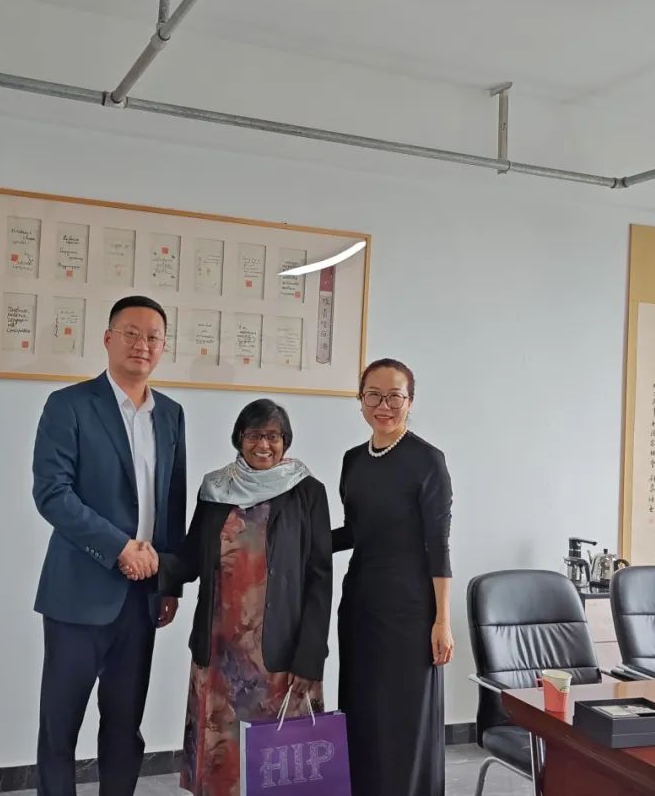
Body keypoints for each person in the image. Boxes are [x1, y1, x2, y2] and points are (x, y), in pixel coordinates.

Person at [32, 295, 187, 796]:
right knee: (60, 728)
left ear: (163, 346)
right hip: (78, 594)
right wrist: (120, 547)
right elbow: (53, 494)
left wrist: (169, 583)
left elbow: (172, 501)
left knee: (124, 727)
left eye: (153, 337)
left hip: (141, 598)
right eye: (131, 333)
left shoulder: (171, 415)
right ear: (108, 338)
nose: (143, 345)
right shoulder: (69, 406)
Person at [159, 399, 333, 796]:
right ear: (239, 438)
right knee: (222, 763)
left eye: (273, 436)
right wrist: (148, 565)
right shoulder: (215, 489)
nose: (264, 445)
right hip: (219, 652)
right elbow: (192, 555)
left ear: (285, 441)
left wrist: (311, 656)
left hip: (278, 654)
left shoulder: (308, 492)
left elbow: (320, 578)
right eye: (254, 435)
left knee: (278, 769)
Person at [333, 358, 453, 796]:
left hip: (410, 611)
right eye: (373, 395)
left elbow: (438, 545)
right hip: (361, 603)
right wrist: (297, 538)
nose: (383, 406)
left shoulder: (427, 461)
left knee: (404, 718)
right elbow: (355, 532)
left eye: (394, 397)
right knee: (361, 710)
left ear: (410, 402)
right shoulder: (353, 461)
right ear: (360, 399)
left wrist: (442, 620)